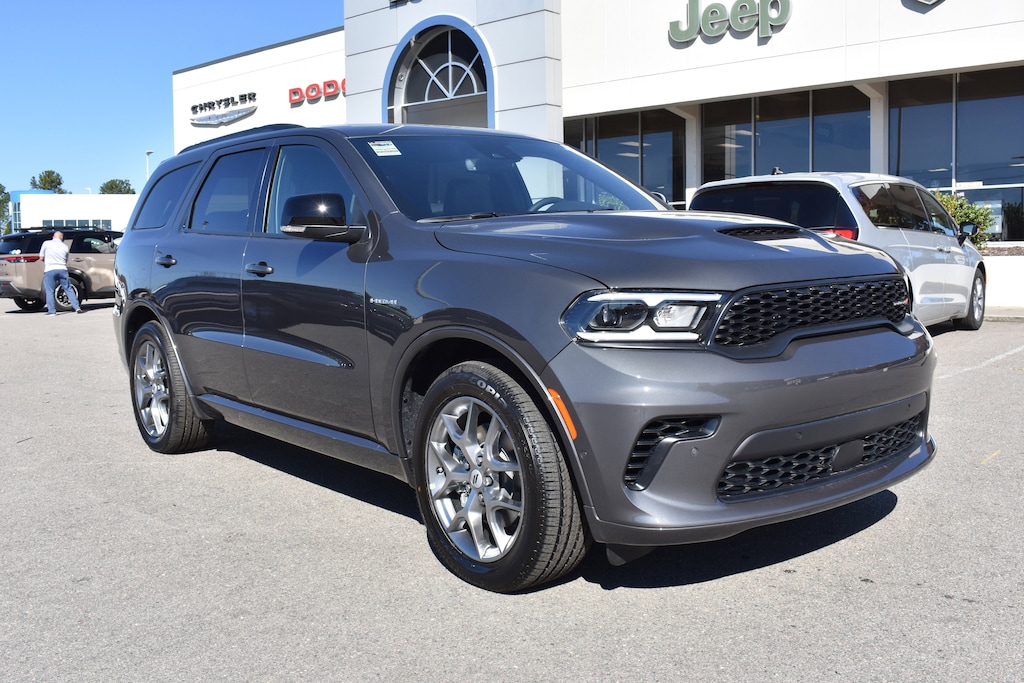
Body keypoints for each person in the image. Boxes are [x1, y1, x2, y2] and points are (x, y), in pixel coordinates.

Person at [38, 231, 83, 315]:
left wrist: (47, 260)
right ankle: (77, 307)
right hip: (62, 269)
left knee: (50, 290)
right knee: (68, 288)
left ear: (53, 236)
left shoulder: (46, 243)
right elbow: (66, 260)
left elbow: (41, 257)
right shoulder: (65, 247)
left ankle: (52, 311)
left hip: (50, 269)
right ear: (61, 237)